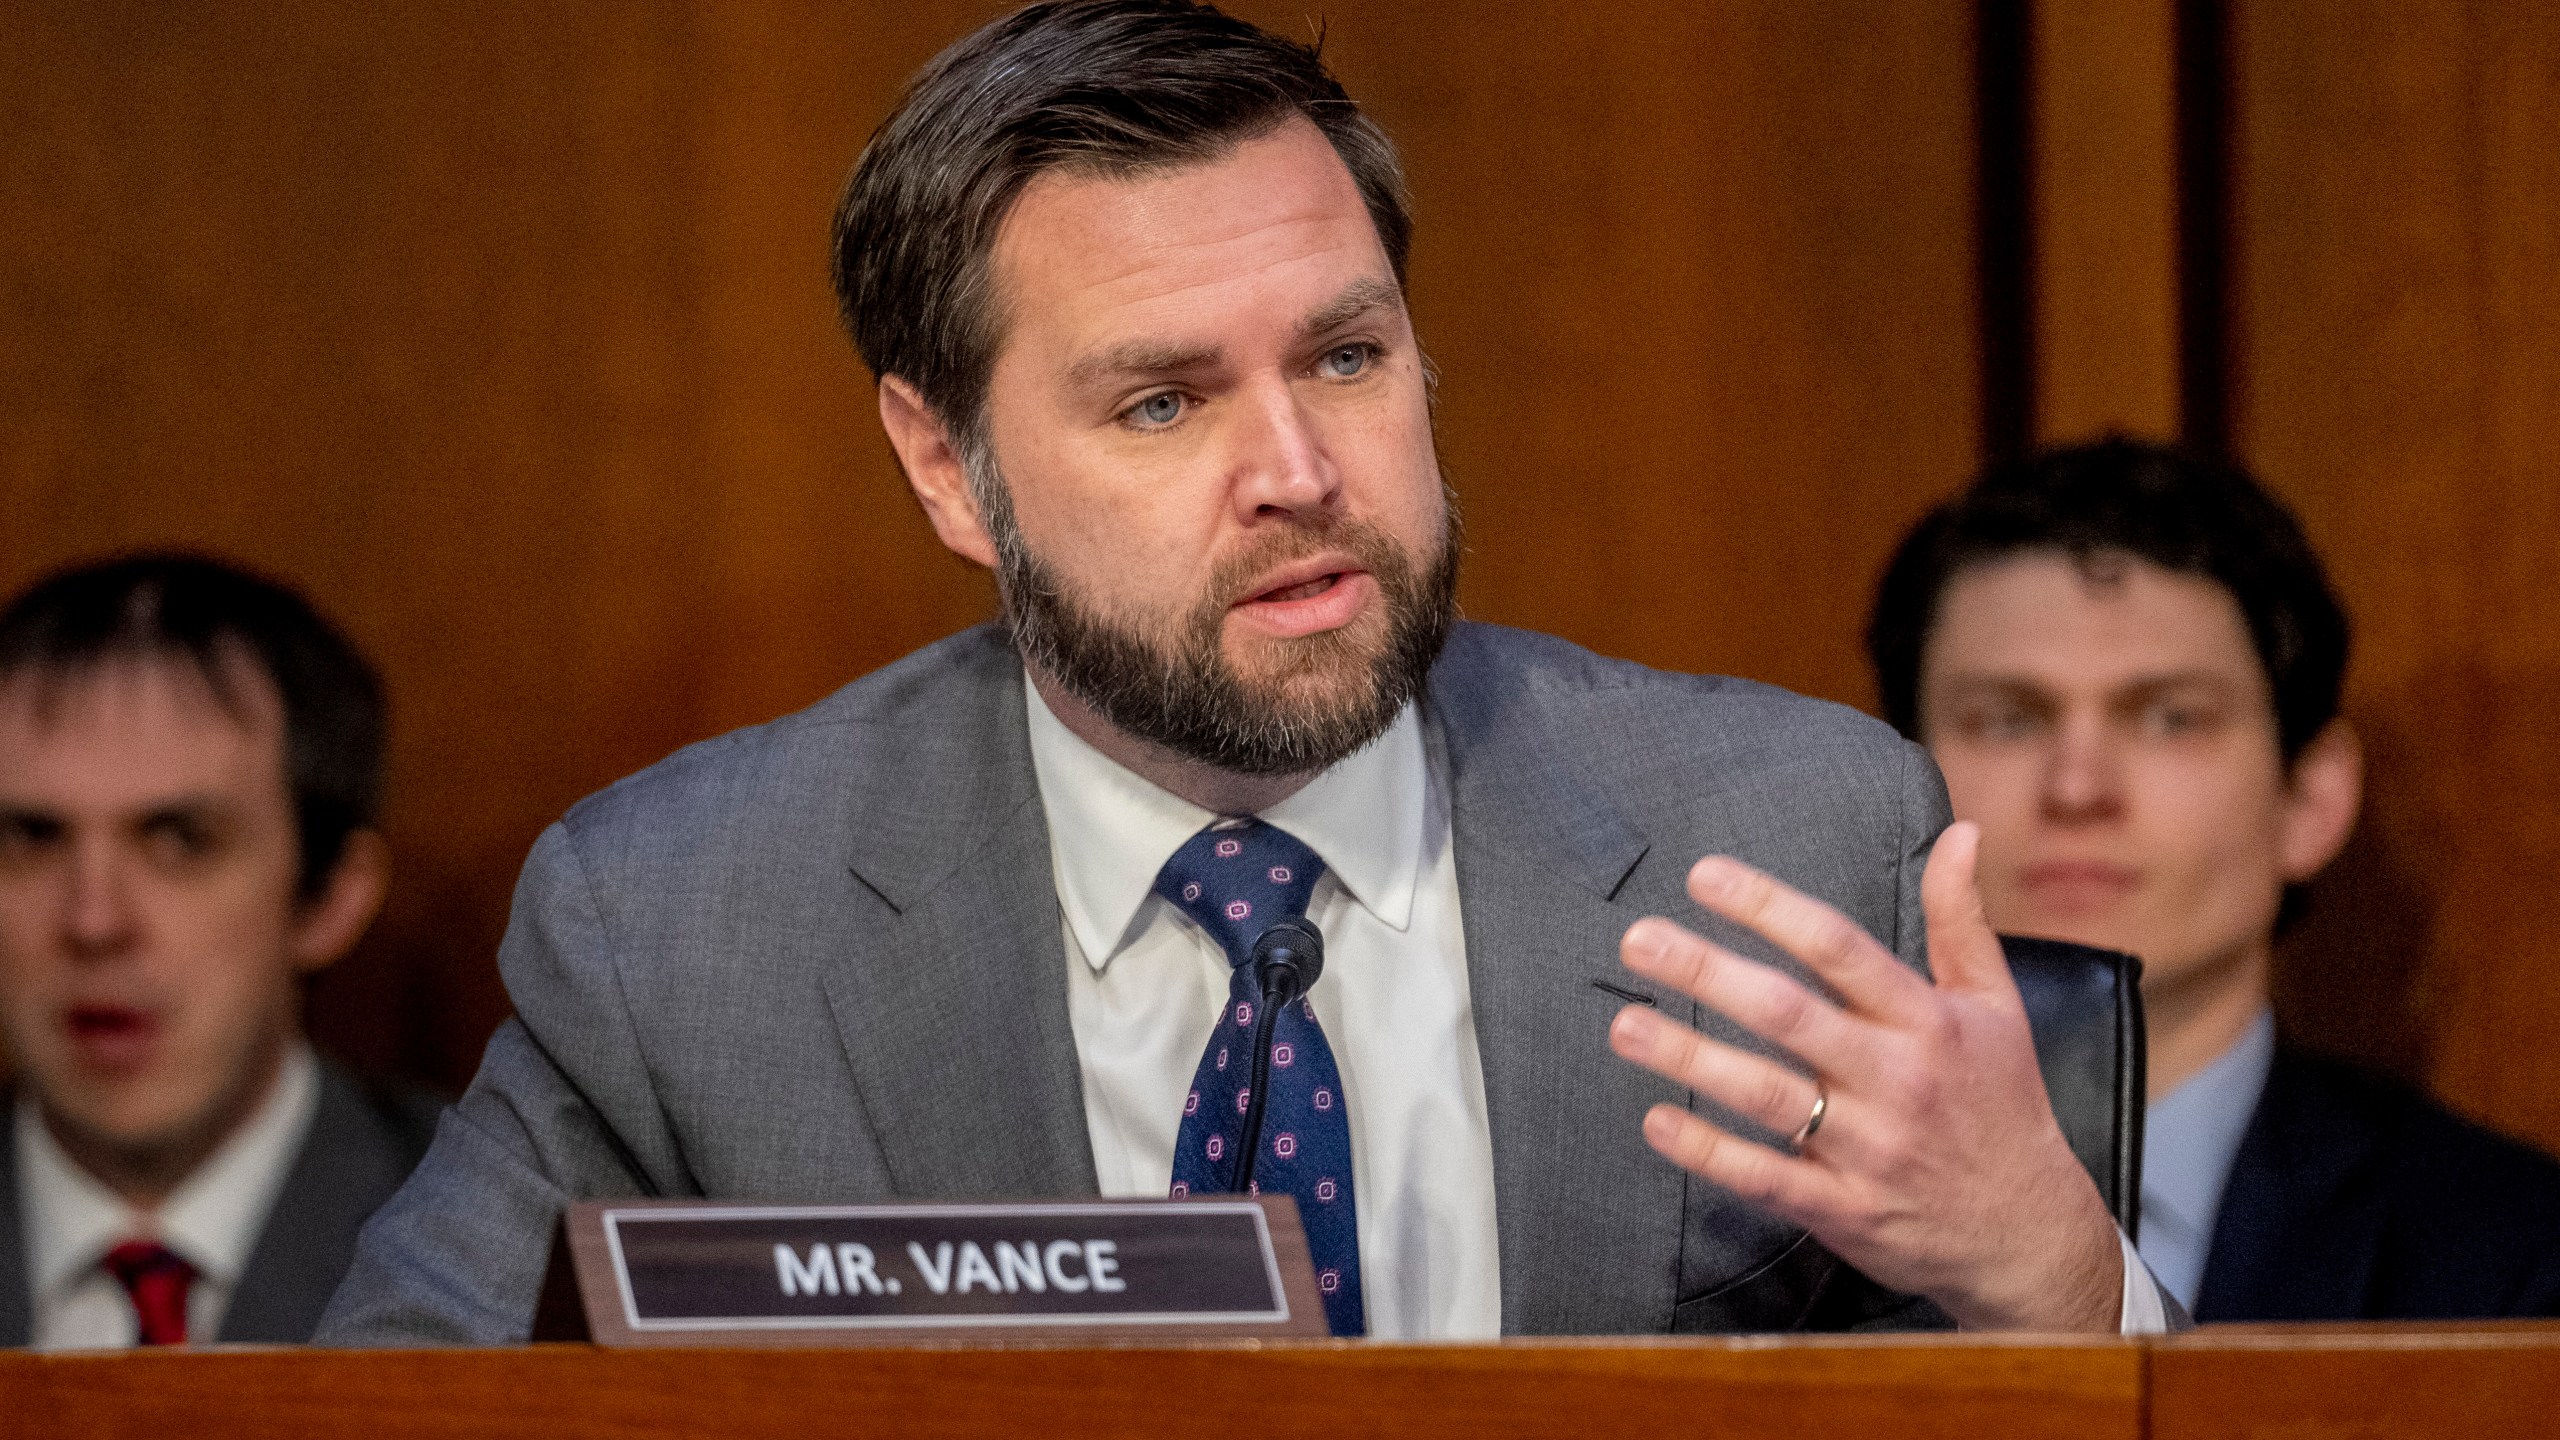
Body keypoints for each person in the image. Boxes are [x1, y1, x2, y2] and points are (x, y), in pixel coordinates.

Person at [322, 0, 2172, 1343]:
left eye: (1348, 358)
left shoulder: (1791, 842)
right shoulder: (689, 928)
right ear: (946, 463)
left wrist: (2062, 1281)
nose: (1297, 469)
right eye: (1162, 399)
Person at [1867, 437, 2560, 1319]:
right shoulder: (1735, 1240)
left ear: (2309, 797)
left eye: (2171, 718)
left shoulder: (2518, 1258)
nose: (2078, 788)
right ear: (1887, 793)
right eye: (2006, 721)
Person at [0, 554, 439, 1348]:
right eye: (31, 838)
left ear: (330, 897)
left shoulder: (495, 1244)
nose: (94, 922)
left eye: (179, 841)